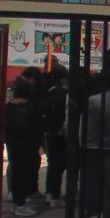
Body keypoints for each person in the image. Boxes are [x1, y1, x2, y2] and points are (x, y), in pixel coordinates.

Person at [78, 69, 110, 218]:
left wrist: (80, 143)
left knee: (92, 180)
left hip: (92, 145)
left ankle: (92, 212)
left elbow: (82, 123)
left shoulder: (94, 100)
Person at [4, 67, 44, 217]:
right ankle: (20, 202)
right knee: (24, 173)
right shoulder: (30, 107)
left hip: (12, 142)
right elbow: (38, 125)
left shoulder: (8, 107)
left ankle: (16, 199)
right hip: (27, 143)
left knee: (15, 169)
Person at [39, 60, 72, 206]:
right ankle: (54, 195)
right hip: (60, 133)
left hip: (49, 131)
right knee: (59, 165)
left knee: (53, 163)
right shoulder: (66, 94)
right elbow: (65, 114)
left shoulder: (50, 91)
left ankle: (50, 193)